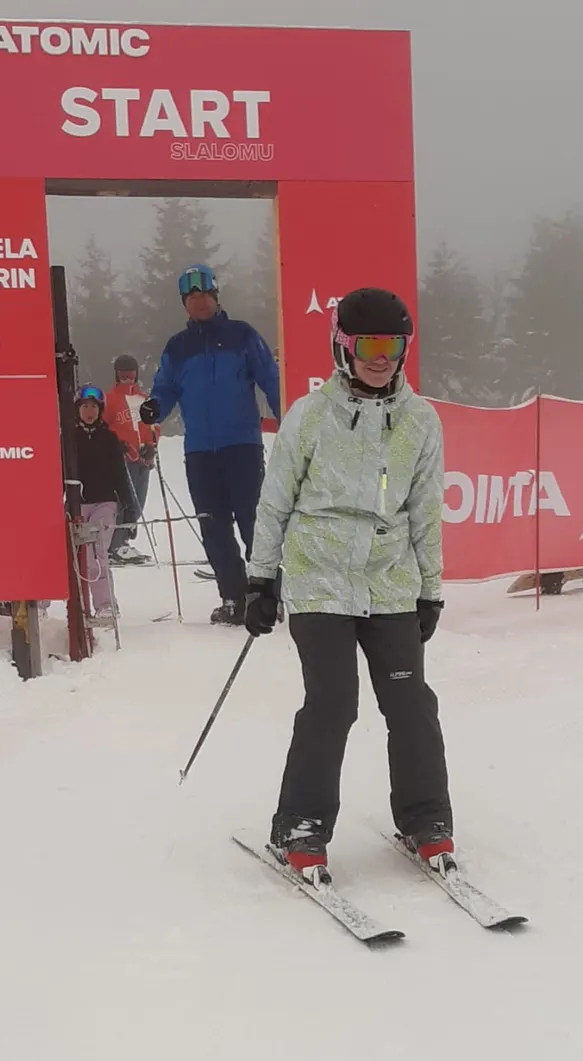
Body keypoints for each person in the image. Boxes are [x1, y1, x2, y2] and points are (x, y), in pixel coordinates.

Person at [243, 286, 455, 880]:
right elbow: (275, 502)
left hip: (389, 583)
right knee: (333, 703)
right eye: (368, 346)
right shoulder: (310, 417)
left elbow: (425, 510)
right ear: (343, 347)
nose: (381, 358)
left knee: (410, 702)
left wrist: (430, 589)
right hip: (320, 580)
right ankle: (300, 825)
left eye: (392, 345)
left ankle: (425, 818)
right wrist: (261, 579)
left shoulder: (419, 421)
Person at [140, 264, 281, 625]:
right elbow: (166, 388)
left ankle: (266, 596)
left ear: (216, 297)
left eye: (204, 295)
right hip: (200, 452)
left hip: (242, 446)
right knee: (213, 527)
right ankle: (233, 598)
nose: (199, 302)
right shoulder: (178, 347)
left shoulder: (242, 335)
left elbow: (270, 378)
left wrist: (289, 420)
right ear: (183, 303)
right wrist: (155, 407)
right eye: (191, 297)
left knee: (254, 523)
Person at [74, 384, 137, 619]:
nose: (89, 412)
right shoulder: (68, 438)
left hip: (105, 503)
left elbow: (120, 475)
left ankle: (105, 604)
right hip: (77, 504)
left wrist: (129, 507)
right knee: (70, 555)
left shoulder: (109, 439)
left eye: (93, 407)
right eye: (85, 407)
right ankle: (43, 605)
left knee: (95, 553)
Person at [106, 354, 157, 564]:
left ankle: (124, 541)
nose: (127, 379)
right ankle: (114, 544)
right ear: (117, 376)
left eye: (130, 375)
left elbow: (153, 426)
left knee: (138, 501)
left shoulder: (144, 399)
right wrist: (114, 445)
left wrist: (151, 447)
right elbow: (104, 427)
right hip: (122, 459)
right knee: (122, 501)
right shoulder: (110, 399)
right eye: (123, 376)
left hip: (142, 459)